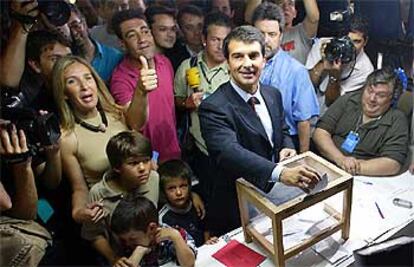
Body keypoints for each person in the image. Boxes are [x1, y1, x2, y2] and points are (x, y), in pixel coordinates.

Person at [198, 25, 321, 235]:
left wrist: (287, 148)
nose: (247, 64)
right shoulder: (214, 107)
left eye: (253, 56)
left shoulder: (272, 94)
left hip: (273, 195)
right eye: (238, 57)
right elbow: (229, 153)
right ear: (227, 62)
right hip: (237, 204)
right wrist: (281, 173)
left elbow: (281, 129)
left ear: (264, 60)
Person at [52, 55, 152, 224]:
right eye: (72, 81)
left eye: (88, 77)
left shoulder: (117, 113)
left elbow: (139, 124)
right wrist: (78, 212)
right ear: (64, 93)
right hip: (113, 215)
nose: (84, 86)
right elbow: (79, 187)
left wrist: (141, 90)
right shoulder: (67, 137)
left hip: (144, 199)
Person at [110, 9, 181, 162]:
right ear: (122, 44)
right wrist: (140, 90)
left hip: (174, 152)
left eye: (145, 31)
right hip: (147, 161)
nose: (142, 39)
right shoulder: (120, 79)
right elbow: (134, 123)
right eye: (132, 35)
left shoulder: (164, 62)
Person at [174, 11, 231, 199]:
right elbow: (176, 101)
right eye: (215, 39)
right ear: (204, 39)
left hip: (232, 148)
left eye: (225, 40)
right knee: (209, 198)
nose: (220, 46)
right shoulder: (187, 66)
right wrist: (187, 103)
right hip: (201, 150)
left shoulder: (235, 67)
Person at [81, 131, 159, 265]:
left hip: (153, 254)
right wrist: (113, 258)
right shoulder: (99, 193)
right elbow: (93, 235)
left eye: (146, 161)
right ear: (117, 167)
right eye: (133, 163)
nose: (142, 168)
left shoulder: (153, 178)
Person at [313, 68, 409, 176]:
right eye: (370, 91)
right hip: (326, 163)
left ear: (392, 99)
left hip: (362, 177)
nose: (372, 98)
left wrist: (353, 167)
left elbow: (393, 163)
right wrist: (340, 159)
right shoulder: (348, 100)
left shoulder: (397, 119)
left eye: (381, 95)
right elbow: (320, 132)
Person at [252, 2, 319, 152]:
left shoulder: (296, 71)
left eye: (272, 34)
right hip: (250, 141)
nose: (266, 40)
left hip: (286, 143)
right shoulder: (243, 67)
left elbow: (303, 121)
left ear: (281, 35)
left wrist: (303, 158)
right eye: (260, 34)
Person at [0, 125, 52, 266]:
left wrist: (23, 164)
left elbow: (27, 213)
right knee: (29, 245)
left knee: (50, 212)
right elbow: (5, 202)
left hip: (34, 207)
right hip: (13, 225)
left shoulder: (15, 137)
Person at [306, 16, 374, 112]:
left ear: (365, 42)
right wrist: (322, 63)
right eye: (347, 40)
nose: (350, 47)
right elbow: (306, 85)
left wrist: (334, 76)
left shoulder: (365, 70)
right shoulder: (323, 45)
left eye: (356, 42)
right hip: (308, 103)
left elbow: (332, 103)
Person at [111, 195, 196, 267]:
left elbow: (189, 264)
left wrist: (176, 237)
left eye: (132, 239)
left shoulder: (173, 234)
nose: (128, 244)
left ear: (152, 228)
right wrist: (138, 252)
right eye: (124, 240)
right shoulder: (126, 246)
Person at [158, 159, 218, 247]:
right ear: (163, 191)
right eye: (171, 188)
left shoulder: (197, 204)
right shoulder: (163, 219)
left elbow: (206, 227)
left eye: (183, 186)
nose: (178, 192)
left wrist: (208, 242)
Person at [245, 0, 320, 64]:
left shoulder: (301, 31)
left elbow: (314, 18)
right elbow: (250, 18)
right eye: (281, 3)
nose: (286, 7)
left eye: (290, 4)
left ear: (295, 13)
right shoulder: (264, 33)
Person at [68, 4, 123, 83]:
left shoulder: (115, 57)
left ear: (84, 23)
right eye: (67, 29)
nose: (73, 33)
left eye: (76, 26)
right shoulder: (65, 64)